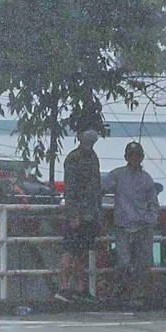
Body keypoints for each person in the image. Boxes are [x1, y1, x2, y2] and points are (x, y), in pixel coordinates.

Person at [56, 119, 107, 302]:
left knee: (82, 253)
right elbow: (70, 189)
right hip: (77, 214)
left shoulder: (93, 157)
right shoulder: (74, 158)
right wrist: (73, 214)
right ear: (79, 137)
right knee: (69, 250)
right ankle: (64, 288)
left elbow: (95, 188)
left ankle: (79, 288)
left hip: (91, 214)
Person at [109, 140, 161, 303]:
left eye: (137, 155)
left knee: (142, 263)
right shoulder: (117, 175)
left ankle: (139, 294)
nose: (134, 158)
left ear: (141, 157)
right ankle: (121, 292)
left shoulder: (146, 179)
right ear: (126, 157)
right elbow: (101, 188)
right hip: (123, 226)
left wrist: (150, 220)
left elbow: (153, 202)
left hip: (142, 227)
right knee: (123, 262)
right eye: (131, 155)